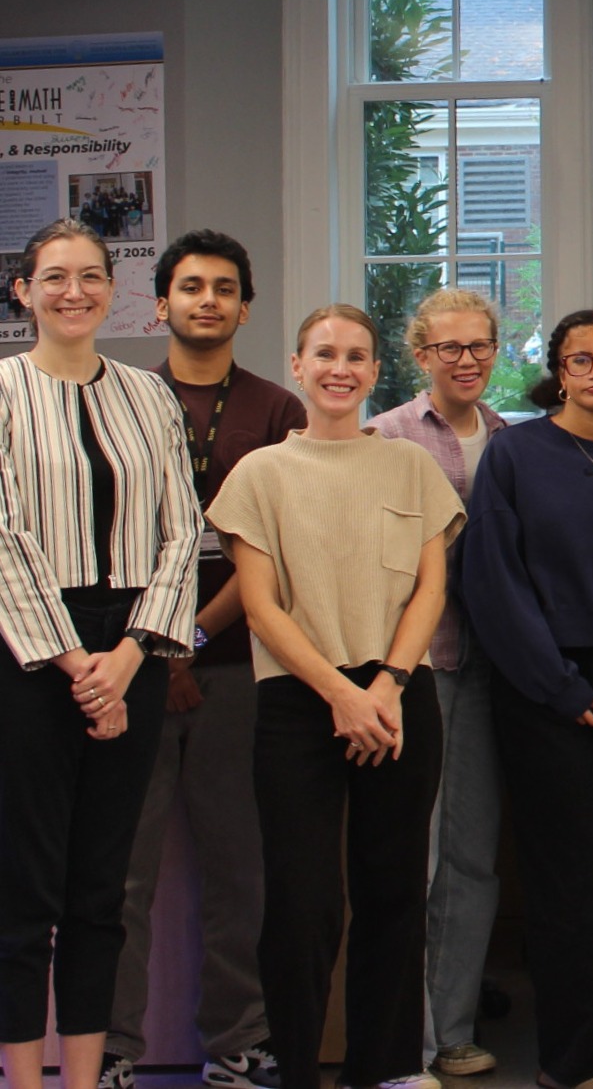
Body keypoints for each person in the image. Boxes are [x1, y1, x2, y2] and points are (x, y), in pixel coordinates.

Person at [208, 303, 464, 1089]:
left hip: (396, 694)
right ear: (297, 366)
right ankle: (296, 1069)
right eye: (324, 354)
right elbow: (260, 606)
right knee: (302, 900)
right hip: (298, 699)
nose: (340, 368)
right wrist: (339, 696)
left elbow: (430, 590)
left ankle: (385, 1067)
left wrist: (384, 684)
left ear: (375, 371)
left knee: (394, 891)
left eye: (356, 356)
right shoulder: (260, 474)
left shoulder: (409, 467)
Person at [0, 219, 201, 1089]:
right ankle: (21, 1077)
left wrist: (127, 658)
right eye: (53, 277)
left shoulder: (148, 397)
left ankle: (82, 1080)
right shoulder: (2, 390)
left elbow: (183, 531)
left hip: (135, 649)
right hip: (28, 655)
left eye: (89, 276)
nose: (72, 291)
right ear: (23, 292)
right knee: (23, 892)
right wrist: (75, 662)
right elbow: (2, 535)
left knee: (101, 889)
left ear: (113, 289)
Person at [108, 231, 305, 1089]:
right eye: (189, 286)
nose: (207, 301)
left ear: (245, 307)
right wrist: (157, 648)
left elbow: (277, 548)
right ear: (161, 303)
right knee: (121, 874)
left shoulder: (275, 411)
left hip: (237, 666)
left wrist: (188, 643)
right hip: (126, 670)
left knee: (239, 870)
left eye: (225, 288)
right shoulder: (115, 399)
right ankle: (110, 1049)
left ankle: (237, 1044)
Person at [460, 311, 593, 1089]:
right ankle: (575, 1058)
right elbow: (491, 579)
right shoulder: (514, 454)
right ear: (556, 368)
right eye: (580, 359)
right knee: (575, 876)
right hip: (543, 688)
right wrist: (558, 684)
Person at [367, 288, 506, 1080]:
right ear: (420, 355)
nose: (466, 360)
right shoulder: (382, 438)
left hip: (491, 672)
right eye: (448, 347)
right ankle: (407, 1040)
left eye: (479, 345)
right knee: (412, 858)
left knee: (473, 858)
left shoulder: (513, 440)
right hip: (409, 670)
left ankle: (453, 1028)